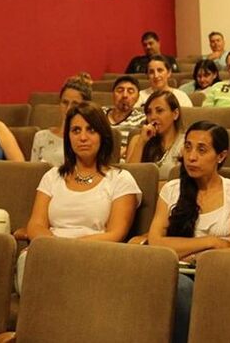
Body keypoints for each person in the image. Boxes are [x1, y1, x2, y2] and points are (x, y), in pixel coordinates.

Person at [148, 121, 230, 343]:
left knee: (181, 286)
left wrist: (182, 250)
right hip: (171, 273)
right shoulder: (171, 189)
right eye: (188, 147)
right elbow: (156, 242)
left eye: (202, 149)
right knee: (178, 284)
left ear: (221, 156)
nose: (191, 156)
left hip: (220, 277)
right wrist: (212, 242)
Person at [19, 102, 142, 291]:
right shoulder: (52, 176)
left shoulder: (120, 179)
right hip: (50, 252)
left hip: (93, 256)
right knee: (27, 260)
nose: (82, 137)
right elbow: (36, 225)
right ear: (68, 137)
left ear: (103, 135)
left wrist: (70, 248)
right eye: (76, 130)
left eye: (90, 130)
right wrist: (55, 247)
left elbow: (116, 233)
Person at [31, 78, 92, 167]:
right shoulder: (41, 136)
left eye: (75, 104)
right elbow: (32, 174)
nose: (68, 109)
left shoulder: (86, 140)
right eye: (65, 102)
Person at [127, 90, 185, 180]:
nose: (153, 117)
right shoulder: (137, 140)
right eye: (149, 112)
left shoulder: (185, 143)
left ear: (175, 114)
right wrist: (142, 142)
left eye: (159, 111)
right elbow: (128, 179)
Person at [102, 75, 146, 161]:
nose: (125, 95)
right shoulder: (100, 113)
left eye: (130, 91)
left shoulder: (142, 119)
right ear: (113, 94)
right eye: (120, 90)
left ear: (137, 98)